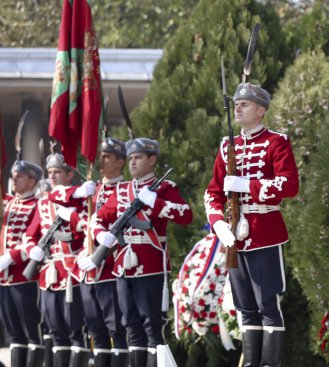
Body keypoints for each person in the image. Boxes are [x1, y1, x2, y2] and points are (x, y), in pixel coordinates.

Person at [205, 82, 299, 367]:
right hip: (235, 235)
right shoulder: (227, 146)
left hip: (265, 230)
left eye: (244, 104)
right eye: (236, 103)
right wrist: (218, 223)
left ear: (261, 111)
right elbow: (213, 192)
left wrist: (248, 184)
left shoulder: (276, 142)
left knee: (268, 304)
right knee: (245, 306)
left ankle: (270, 363)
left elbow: (289, 185)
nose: (237, 108)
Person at [92, 137, 192, 367]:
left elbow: (185, 214)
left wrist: (155, 202)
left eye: (138, 158)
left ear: (152, 159)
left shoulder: (165, 188)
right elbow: (98, 218)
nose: (133, 163)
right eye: (131, 159)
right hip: (123, 267)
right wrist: (101, 235)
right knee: (131, 325)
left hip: (150, 265)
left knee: (152, 325)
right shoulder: (123, 190)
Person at [51, 137, 130, 367]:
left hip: (110, 270)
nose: (101, 162)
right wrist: (76, 193)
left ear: (120, 162)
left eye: (106, 157)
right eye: (100, 156)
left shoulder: (125, 190)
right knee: (97, 332)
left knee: (117, 331)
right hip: (87, 273)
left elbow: (104, 223)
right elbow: (52, 195)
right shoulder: (91, 189)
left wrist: (76, 218)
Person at [25, 153, 88, 367]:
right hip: (49, 274)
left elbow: (86, 235)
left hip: (72, 273)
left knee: (75, 330)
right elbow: (29, 235)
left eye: (57, 172)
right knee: (55, 330)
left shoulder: (80, 201)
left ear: (70, 175)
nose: (52, 176)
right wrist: (33, 248)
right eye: (50, 172)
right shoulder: (43, 205)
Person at [0, 160, 45, 367]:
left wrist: (11, 256)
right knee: (14, 333)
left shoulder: (38, 205)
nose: (14, 179)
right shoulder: (8, 203)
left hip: (24, 276)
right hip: (4, 278)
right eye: (13, 175)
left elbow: (34, 237)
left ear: (32, 181)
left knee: (31, 331)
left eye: (19, 176)